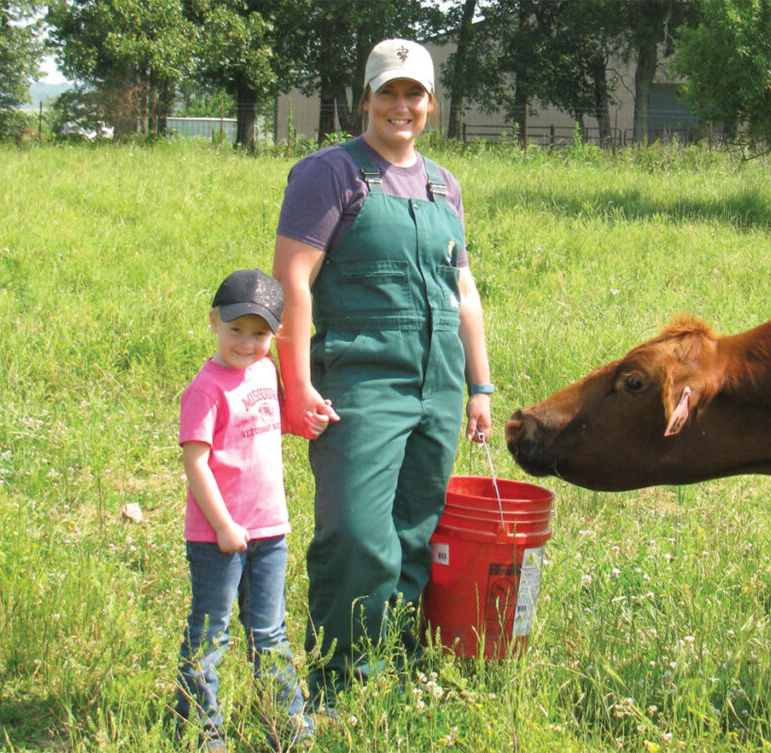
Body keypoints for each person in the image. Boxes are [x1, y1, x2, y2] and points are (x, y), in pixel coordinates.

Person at [273, 38, 493, 707]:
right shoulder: (330, 173)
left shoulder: (442, 183)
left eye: (415, 94)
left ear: (432, 104)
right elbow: (294, 279)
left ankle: (394, 662)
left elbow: (464, 289)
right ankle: (339, 681)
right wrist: (296, 378)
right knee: (355, 533)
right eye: (389, 92)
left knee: (414, 529)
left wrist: (479, 386)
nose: (402, 106)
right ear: (365, 97)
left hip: (438, 381)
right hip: (360, 380)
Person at [175, 269, 333, 750]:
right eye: (235, 330)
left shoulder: (265, 371)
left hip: (270, 530)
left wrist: (310, 419)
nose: (246, 343)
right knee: (210, 634)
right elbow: (196, 462)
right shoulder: (205, 389)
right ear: (213, 322)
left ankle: (291, 725)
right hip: (218, 537)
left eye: (260, 333)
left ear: (275, 333)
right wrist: (224, 525)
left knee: (270, 633)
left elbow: (270, 422)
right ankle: (202, 730)